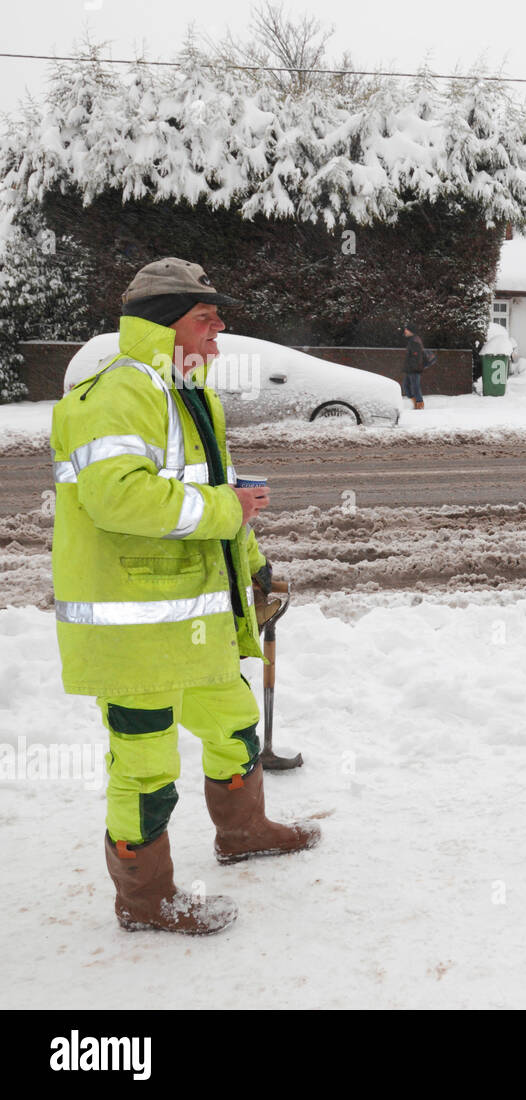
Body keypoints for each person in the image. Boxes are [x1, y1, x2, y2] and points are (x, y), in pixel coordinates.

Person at [51, 257, 321, 935]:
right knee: (145, 766)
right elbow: (118, 497)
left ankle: (243, 831)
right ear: (165, 324)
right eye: (205, 319)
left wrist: (255, 564)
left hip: (189, 623)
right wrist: (227, 509)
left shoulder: (188, 393)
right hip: (132, 630)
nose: (217, 333)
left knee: (233, 721)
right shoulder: (118, 393)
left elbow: (215, 499)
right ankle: (144, 899)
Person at [402, 325, 426, 409]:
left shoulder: (415, 341)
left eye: (406, 330)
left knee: (414, 387)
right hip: (410, 368)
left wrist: (414, 367)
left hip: (414, 369)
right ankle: (416, 403)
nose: (405, 331)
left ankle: (419, 404)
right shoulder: (412, 340)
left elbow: (417, 356)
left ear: (411, 331)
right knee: (406, 387)